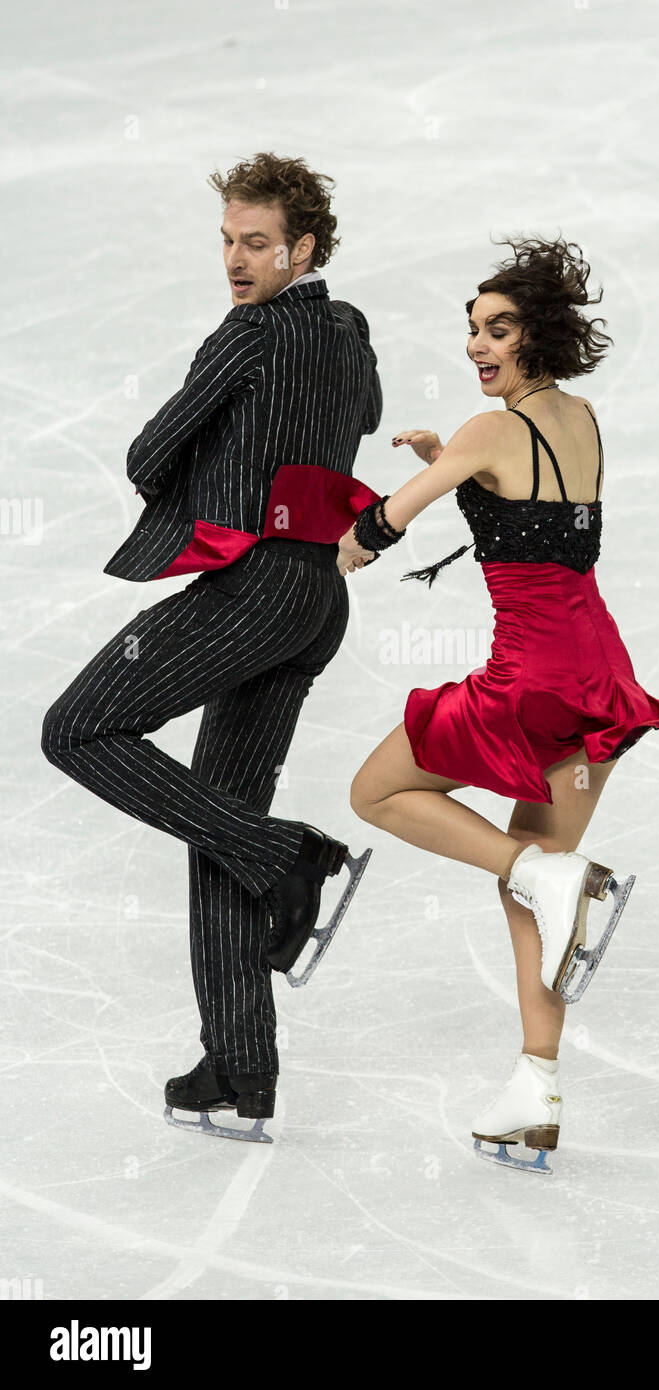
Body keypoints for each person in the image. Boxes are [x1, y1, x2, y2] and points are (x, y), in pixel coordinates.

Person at [337, 236, 659, 1172]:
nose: (478, 345)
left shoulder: (490, 434)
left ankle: (535, 869)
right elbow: (530, 511)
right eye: (471, 329)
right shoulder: (581, 418)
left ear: (536, 335)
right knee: (535, 893)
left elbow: (391, 516)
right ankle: (535, 1090)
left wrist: (347, 545)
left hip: (531, 678)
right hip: (598, 677)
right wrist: (456, 459)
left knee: (378, 792)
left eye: (497, 330)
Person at [41, 152, 383, 1143]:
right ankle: (240, 1069)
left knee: (77, 727)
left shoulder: (251, 332)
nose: (236, 259)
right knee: (218, 819)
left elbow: (150, 453)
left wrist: (221, 470)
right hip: (317, 594)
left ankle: (290, 855)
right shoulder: (346, 328)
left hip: (257, 586)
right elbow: (355, 415)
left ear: (302, 246)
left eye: (256, 242)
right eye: (228, 241)